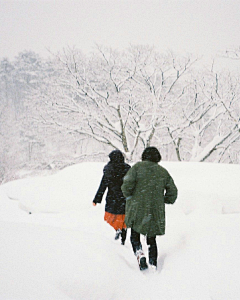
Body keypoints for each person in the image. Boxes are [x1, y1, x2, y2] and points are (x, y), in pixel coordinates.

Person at [121, 147, 178, 271]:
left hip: (137, 207)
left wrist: (130, 195)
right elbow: (173, 191)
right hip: (154, 209)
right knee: (151, 238)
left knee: (134, 234)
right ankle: (153, 264)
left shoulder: (136, 168)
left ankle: (139, 253)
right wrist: (165, 200)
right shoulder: (163, 172)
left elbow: (126, 186)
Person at [93, 150, 131, 245]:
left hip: (112, 198)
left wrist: (97, 199)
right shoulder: (127, 169)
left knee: (112, 217)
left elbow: (103, 185)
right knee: (123, 219)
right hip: (124, 198)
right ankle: (123, 240)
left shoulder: (109, 170)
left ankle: (116, 229)